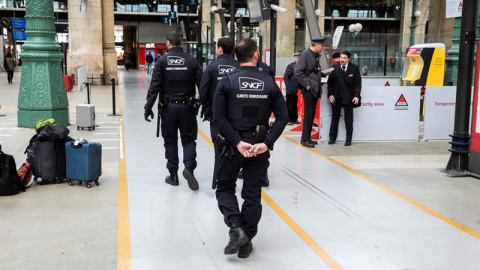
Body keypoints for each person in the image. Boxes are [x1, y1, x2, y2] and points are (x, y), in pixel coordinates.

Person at [213, 38, 287, 258]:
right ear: (256, 55)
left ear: (237, 57)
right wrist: (267, 143)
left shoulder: (226, 82)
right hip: (258, 147)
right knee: (253, 195)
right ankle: (246, 242)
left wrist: (236, 141)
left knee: (225, 187)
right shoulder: (269, 83)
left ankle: (236, 228)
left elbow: (219, 117)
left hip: (232, 146)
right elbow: (283, 117)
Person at [144, 32, 203, 190]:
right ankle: (189, 168)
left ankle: (173, 175)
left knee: (170, 142)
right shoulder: (192, 61)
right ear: (181, 43)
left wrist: (148, 107)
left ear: (168, 44)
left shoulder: (162, 61)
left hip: (168, 108)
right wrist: (206, 105)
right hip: (188, 108)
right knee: (189, 140)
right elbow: (202, 85)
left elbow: (154, 86)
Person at [199, 37, 239, 142]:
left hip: (216, 112)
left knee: (218, 141)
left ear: (220, 49)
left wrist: (206, 106)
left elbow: (203, 90)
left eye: (216, 46)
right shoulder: (239, 66)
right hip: (237, 111)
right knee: (236, 140)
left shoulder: (211, 67)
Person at [294, 37, 329, 148]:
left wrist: (323, 74)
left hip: (314, 89)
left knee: (311, 114)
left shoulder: (314, 55)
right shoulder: (305, 54)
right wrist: (307, 85)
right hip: (309, 89)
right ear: (316, 44)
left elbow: (313, 72)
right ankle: (305, 139)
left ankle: (307, 138)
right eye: (322, 46)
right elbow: (298, 71)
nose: (323, 48)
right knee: (308, 114)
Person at [327, 51, 361, 146]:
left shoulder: (354, 68)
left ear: (349, 59)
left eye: (344, 58)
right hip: (336, 98)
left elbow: (358, 83)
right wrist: (330, 95)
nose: (342, 59)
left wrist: (356, 96)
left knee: (349, 120)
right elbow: (330, 84)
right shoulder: (334, 68)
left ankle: (348, 140)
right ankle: (332, 138)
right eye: (341, 57)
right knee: (335, 119)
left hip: (349, 98)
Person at [283, 52, 301, 125]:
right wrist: (289, 86)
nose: (297, 59)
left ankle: (294, 119)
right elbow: (286, 77)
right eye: (296, 57)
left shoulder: (301, 66)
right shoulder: (291, 66)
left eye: (298, 57)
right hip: (290, 89)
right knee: (289, 105)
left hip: (296, 89)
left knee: (294, 105)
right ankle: (288, 120)